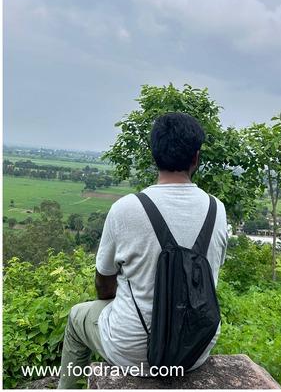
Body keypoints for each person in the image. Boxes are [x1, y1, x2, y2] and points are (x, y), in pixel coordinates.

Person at [57, 113, 228, 388]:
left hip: (132, 351)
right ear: (196, 158)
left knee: (77, 316)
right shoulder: (217, 209)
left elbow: (104, 283)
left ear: (154, 155)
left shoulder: (126, 208)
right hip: (194, 351)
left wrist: (116, 298)